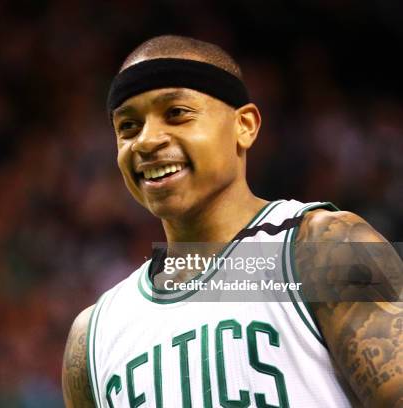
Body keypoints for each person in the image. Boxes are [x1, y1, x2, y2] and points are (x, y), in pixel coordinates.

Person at [61, 35, 402, 408]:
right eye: (128, 127)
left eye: (176, 113)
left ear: (245, 126)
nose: (146, 141)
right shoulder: (91, 336)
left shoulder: (324, 247)